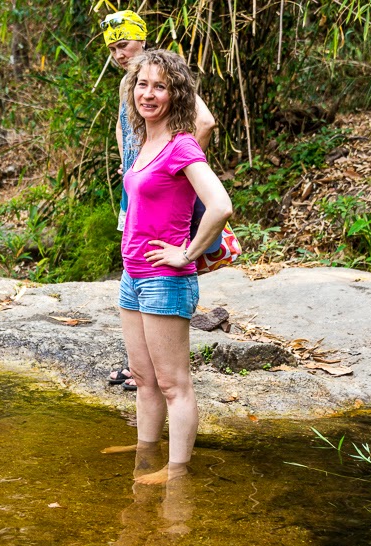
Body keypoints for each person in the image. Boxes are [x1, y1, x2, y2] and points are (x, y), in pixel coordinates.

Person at [107, 49, 232, 485]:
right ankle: (146, 451)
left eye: (160, 86)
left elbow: (220, 205)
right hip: (132, 276)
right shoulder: (143, 142)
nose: (148, 93)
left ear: (175, 93)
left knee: (173, 383)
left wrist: (187, 252)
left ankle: (176, 473)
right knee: (143, 378)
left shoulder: (182, 145)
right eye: (143, 84)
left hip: (166, 278)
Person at [102, 10, 218, 391]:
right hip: (137, 181)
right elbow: (124, 127)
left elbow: (205, 122)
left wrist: (176, 166)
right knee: (135, 263)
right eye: (112, 49)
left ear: (141, 40)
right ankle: (142, 369)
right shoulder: (131, 84)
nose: (119, 54)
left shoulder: (163, 76)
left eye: (124, 45)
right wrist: (130, 165)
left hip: (162, 183)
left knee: (162, 265)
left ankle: (161, 366)